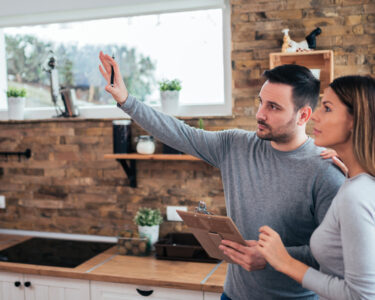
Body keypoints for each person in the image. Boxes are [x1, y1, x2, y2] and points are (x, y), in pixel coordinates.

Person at [99, 51, 345, 299]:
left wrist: (273, 257)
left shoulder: (326, 170)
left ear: (303, 115)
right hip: (233, 295)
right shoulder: (235, 145)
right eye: (261, 102)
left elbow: (335, 254)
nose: (260, 113)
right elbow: (179, 133)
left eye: (273, 107)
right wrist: (126, 100)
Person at [257, 75, 375, 299]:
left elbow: (362, 296)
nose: (315, 116)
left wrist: (285, 261)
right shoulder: (361, 183)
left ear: (355, 120)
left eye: (327, 108)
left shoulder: (356, 195)